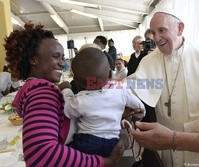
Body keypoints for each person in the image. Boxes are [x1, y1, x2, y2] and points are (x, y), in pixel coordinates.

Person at [128, 7, 199, 167]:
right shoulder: (148, 61)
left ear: (180, 28)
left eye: (162, 30)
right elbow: (131, 91)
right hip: (164, 149)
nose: (156, 38)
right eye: (153, 32)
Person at [4, 22, 124, 167]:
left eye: (62, 58)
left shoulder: (36, 89)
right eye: (56, 57)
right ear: (34, 59)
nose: (62, 63)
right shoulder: (42, 92)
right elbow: (41, 155)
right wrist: (106, 162)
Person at [59, 47, 145, 157]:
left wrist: (66, 90)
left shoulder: (81, 99)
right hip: (112, 142)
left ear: (76, 82)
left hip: (87, 142)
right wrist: (139, 115)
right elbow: (140, 107)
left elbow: (68, 111)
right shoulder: (120, 88)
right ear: (110, 74)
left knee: (64, 153)